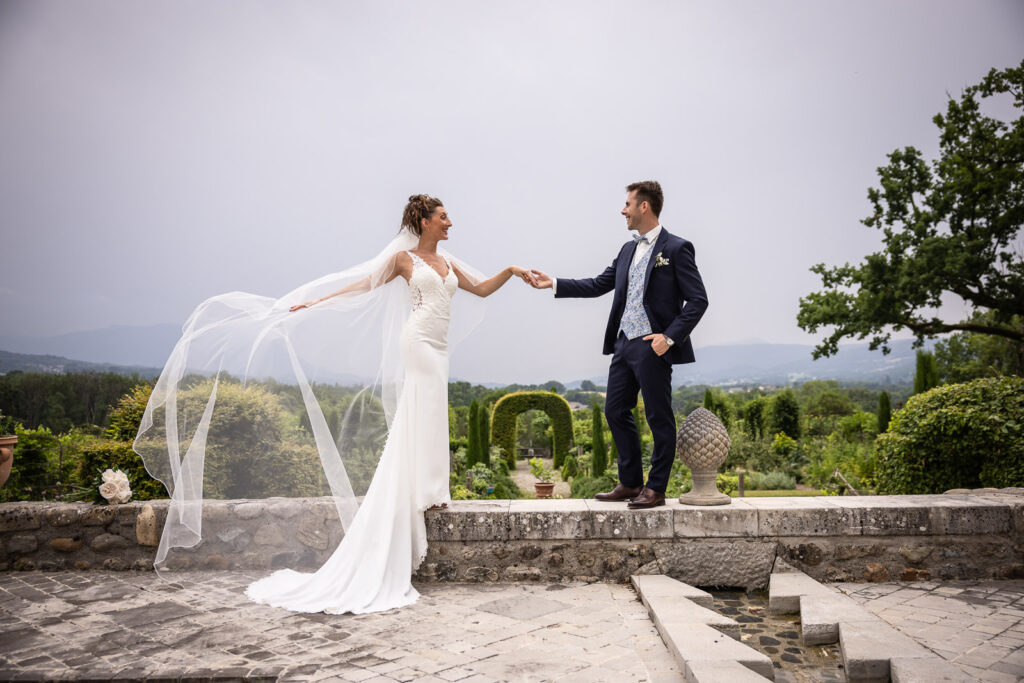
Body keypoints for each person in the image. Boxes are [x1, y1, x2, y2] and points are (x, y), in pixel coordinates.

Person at [137, 194, 533, 615]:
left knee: (432, 410)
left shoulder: (449, 263)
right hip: (417, 342)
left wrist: (510, 270)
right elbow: (363, 283)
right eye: (443, 216)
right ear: (422, 220)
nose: (450, 222)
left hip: (439, 346)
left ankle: (432, 489)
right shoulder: (403, 260)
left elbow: (483, 289)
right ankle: (422, 490)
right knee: (420, 407)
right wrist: (318, 302)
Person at [530, 181, 708, 509]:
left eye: (627, 204)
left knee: (658, 417)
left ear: (644, 206)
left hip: (654, 346)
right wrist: (553, 283)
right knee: (614, 410)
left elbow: (698, 300)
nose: (622, 210)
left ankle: (655, 489)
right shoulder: (628, 249)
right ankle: (630, 483)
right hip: (624, 344)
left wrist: (668, 338)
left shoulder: (677, 248)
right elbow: (599, 284)